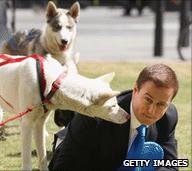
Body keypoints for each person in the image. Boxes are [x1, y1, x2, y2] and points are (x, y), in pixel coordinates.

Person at [49, 63, 179, 170]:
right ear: (135, 90)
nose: (151, 111)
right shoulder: (96, 115)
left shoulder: (168, 118)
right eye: (148, 100)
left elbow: (172, 165)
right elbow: (64, 166)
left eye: (161, 104)